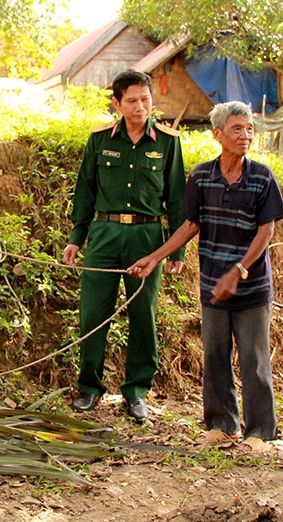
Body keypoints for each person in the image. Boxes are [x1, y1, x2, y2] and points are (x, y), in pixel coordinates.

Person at [128, 101, 283, 444]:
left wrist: (240, 270)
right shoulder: (201, 176)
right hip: (213, 284)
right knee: (215, 356)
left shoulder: (262, 177)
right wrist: (155, 257)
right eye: (236, 129)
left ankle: (260, 432)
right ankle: (221, 426)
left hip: (252, 287)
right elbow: (189, 226)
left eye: (249, 129)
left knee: (254, 360)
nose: (245, 135)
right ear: (217, 134)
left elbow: (266, 232)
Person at [62, 69, 187, 421]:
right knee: (93, 313)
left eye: (145, 99)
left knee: (142, 315)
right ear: (117, 103)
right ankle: (89, 388)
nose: (140, 106)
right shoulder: (100, 140)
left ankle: (136, 392)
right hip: (104, 234)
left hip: (147, 238)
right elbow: (84, 191)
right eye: (131, 100)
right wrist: (77, 238)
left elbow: (177, 198)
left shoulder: (167, 141)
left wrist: (176, 249)